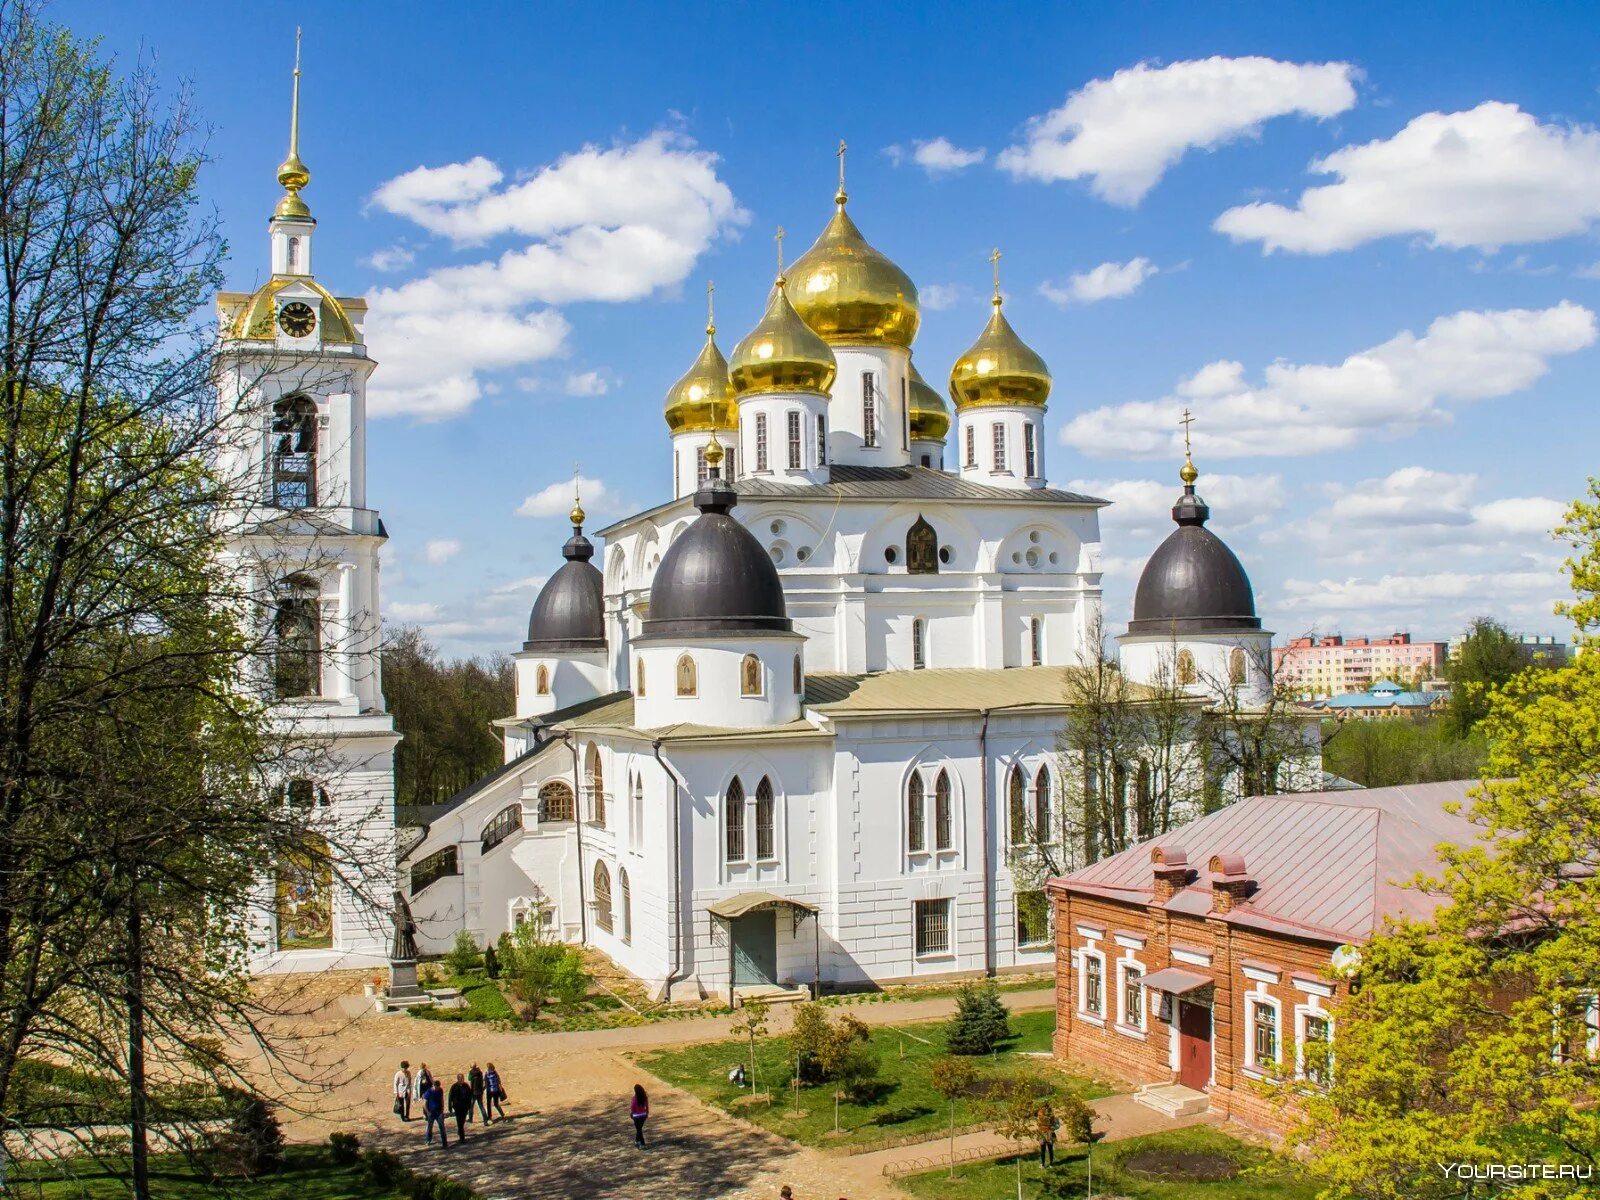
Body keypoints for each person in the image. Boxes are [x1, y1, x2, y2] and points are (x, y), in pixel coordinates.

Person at [422, 1078, 448, 1148]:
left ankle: (445, 1143)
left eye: (438, 1087)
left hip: (439, 1112)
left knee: (442, 1127)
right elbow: (424, 1103)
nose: (437, 1089)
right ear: (433, 1086)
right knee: (430, 1127)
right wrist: (428, 1112)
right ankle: (428, 1140)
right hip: (431, 1112)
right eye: (436, 1087)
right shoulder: (428, 1092)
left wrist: (442, 1109)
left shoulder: (440, 1090)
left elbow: (442, 1099)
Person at [448, 1073, 474, 1141]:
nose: (462, 1080)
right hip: (457, 1107)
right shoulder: (454, 1086)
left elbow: (470, 1095)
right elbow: (450, 1097)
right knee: (459, 1122)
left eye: (463, 1078)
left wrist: (469, 1104)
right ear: (458, 1079)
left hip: (465, 1107)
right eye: (461, 1078)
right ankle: (462, 1138)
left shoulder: (466, 1085)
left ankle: (460, 1131)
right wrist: (450, 1106)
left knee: (462, 1120)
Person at [1036, 1103, 1059, 1167]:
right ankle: (1043, 1164)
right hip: (1043, 1133)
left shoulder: (1050, 1115)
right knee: (1045, 1149)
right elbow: (1057, 1124)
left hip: (1048, 1133)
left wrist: (1051, 1128)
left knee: (1049, 1149)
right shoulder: (1040, 1114)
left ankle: (1050, 1163)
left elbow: (1057, 1124)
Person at [630, 1083, 649, 1149]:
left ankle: (641, 1143)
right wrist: (647, 1113)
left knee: (639, 1130)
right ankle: (637, 1141)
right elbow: (647, 1106)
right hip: (643, 1115)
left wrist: (632, 1113)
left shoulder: (634, 1098)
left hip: (636, 1116)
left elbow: (632, 1107)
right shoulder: (644, 1097)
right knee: (639, 1129)